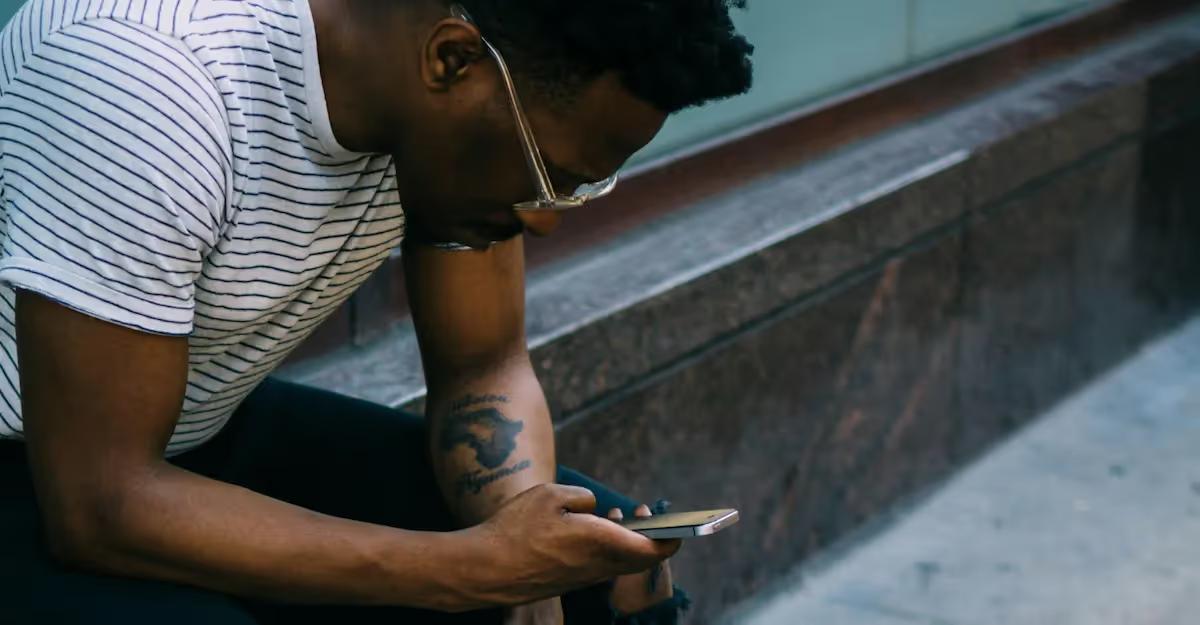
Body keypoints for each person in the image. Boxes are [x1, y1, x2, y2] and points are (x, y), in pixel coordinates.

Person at [0, 0, 754, 622]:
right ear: (452, 61)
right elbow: (101, 504)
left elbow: (481, 367)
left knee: (604, 583)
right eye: (548, 177)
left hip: (194, 429)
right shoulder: (145, 84)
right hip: (49, 470)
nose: (546, 219)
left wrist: (532, 573)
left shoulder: (450, 112)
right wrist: (470, 570)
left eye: (579, 189)